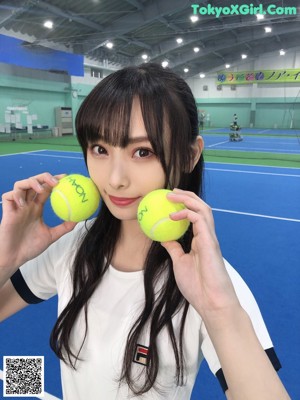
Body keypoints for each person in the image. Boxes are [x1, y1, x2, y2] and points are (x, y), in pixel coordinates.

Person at [0, 63, 290, 400]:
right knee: (20, 384)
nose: (115, 179)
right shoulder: (72, 243)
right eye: (100, 149)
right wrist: (6, 258)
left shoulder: (211, 281)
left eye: (143, 151)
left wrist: (219, 310)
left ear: (189, 155)